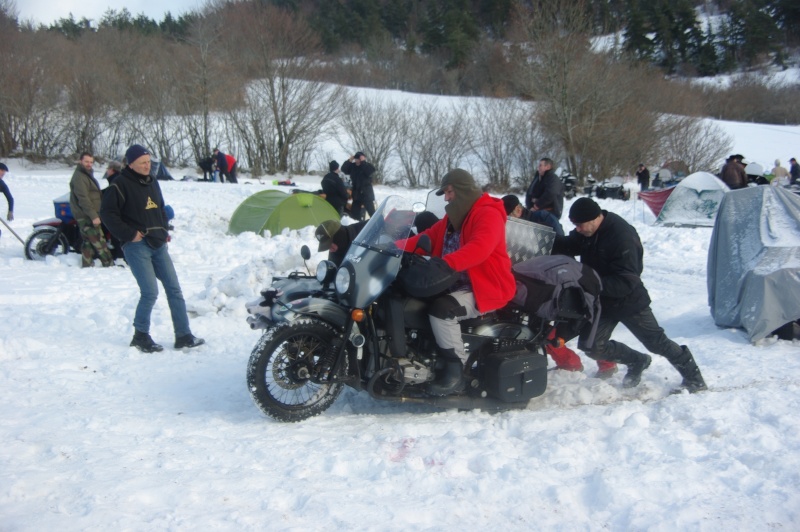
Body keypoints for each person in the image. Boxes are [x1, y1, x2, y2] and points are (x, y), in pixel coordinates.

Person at [553, 198, 707, 393]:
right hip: (603, 300)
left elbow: (627, 281)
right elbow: (568, 245)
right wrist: (541, 238)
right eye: (575, 225)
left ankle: (695, 379)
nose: (578, 229)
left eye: (579, 225)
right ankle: (637, 360)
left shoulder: (621, 236)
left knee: (657, 343)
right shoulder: (587, 231)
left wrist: (589, 283)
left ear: (594, 218)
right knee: (592, 346)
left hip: (629, 301)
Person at [397, 169, 516, 395]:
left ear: (462, 190)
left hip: (485, 287)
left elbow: (480, 248)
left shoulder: (487, 214)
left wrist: (446, 264)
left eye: (449, 192)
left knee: (443, 310)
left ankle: (456, 373)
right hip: (453, 282)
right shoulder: (452, 219)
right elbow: (426, 238)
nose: (447, 198)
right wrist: (392, 248)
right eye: (444, 193)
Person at [100, 144, 204, 353]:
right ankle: (140, 336)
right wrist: (129, 234)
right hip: (137, 246)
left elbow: (160, 209)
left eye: (148, 162)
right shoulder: (119, 185)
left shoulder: (153, 182)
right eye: (142, 163)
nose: (147, 166)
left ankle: (183, 335)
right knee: (150, 292)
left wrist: (164, 229)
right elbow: (107, 214)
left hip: (158, 243)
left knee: (174, 289)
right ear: (131, 164)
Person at [501, 194, 617, 377]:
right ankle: (569, 362)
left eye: (509, 217)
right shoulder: (511, 227)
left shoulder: (543, 219)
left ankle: (607, 362)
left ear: (517, 209)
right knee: (543, 328)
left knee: (580, 321)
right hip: (535, 280)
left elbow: (562, 246)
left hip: (564, 281)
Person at [69, 152, 114, 268]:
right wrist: (93, 216)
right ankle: (108, 264)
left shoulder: (86, 174)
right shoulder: (79, 177)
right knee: (99, 240)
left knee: (88, 241)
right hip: (86, 215)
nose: (89, 164)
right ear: (80, 161)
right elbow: (83, 199)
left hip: (90, 213)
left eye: (91, 162)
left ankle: (87, 264)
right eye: (86, 162)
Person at [524, 158, 566, 228]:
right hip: (535, 213)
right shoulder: (537, 179)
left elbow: (551, 193)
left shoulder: (553, 179)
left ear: (548, 167)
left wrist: (537, 205)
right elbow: (529, 192)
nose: (538, 168)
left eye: (540, 165)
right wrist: (529, 207)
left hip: (549, 214)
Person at [342, 151, 376, 221]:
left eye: (358, 159)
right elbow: (344, 169)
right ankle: (357, 227)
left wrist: (363, 162)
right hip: (356, 194)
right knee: (355, 214)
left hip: (366, 194)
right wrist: (349, 161)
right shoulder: (353, 166)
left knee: (372, 213)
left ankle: (376, 225)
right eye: (356, 159)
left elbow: (370, 171)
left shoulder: (367, 166)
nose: (357, 161)